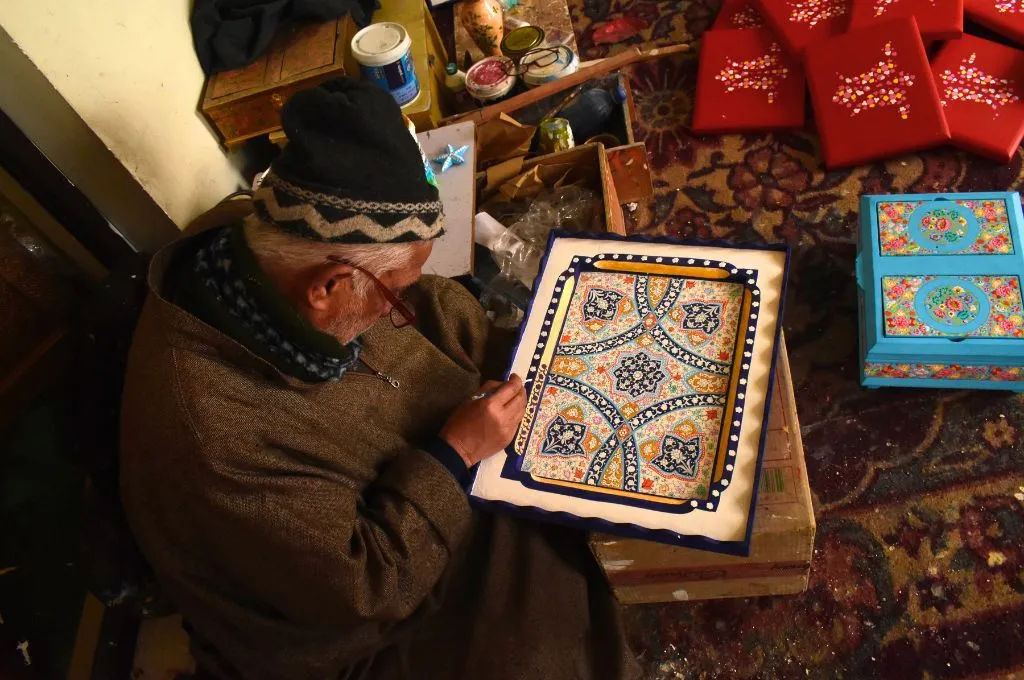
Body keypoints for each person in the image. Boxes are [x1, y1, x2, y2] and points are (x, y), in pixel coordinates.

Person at [120, 77, 640, 680]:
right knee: (547, 638)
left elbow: (438, 308)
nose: (409, 301)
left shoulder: (268, 236)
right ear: (328, 289)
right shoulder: (214, 439)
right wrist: (456, 454)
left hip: (422, 472)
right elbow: (366, 588)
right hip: (352, 627)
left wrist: (531, 352)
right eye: (395, 292)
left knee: (575, 477)